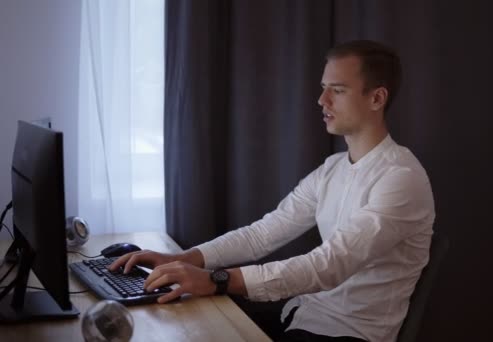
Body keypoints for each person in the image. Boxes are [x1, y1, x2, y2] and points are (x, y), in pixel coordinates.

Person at [110, 40, 435, 342]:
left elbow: (329, 264)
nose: (322, 101)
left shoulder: (401, 178)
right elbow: (262, 234)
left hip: (346, 333)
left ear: (377, 98)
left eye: (337, 90)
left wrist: (217, 280)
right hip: (301, 315)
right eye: (323, 89)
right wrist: (183, 258)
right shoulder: (333, 168)